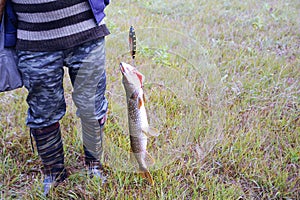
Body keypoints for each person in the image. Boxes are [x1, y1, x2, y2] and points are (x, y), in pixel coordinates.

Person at [1, 0, 110, 196]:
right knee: (43, 113)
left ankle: (93, 164)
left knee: (92, 106)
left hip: (86, 30)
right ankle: (54, 173)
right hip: (33, 39)